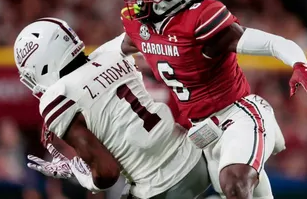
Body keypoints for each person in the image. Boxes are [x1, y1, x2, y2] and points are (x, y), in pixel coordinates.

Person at [120, 0, 307, 199]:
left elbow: (273, 43)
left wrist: (299, 64)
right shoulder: (139, 27)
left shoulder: (200, 21)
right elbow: (117, 49)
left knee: (233, 183)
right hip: (198, 132)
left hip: (237, 116)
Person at [13, 18, 210, 199]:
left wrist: (76, 171)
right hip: (197, 159)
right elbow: (144, 36)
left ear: (42, 65)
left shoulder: (57, 96)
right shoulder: (110, 52)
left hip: (159, 187)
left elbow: (107, 173)